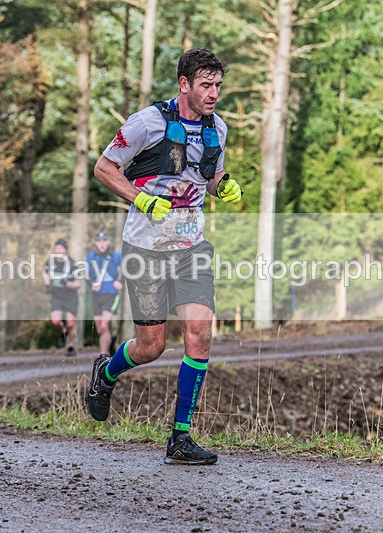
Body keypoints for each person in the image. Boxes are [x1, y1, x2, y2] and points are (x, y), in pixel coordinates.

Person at [85, 48, 242, 465]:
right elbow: (104, 168)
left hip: (191, 246)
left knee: (199, 334)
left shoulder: (218, 128)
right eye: (206, 86)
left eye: (218, 86)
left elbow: (208, 177)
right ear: (184, 84)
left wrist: (223, 187)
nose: (213, 94)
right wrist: (141, 199)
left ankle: (181, 438)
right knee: (151, 345)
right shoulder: (147, 122)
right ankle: (106, 373)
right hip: (146, 247)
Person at [42, 238, 81, 357]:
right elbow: (44, 272)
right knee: (55, 321)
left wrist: (67, 283)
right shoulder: (50, 262)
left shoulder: (72, 264)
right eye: (57, 249)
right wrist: (47, 284)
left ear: (66, 251)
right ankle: (63, 331)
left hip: (70, 297)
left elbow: (78, 283)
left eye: (61, 249)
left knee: (70, 323)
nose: (58, 251)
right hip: (57, 296)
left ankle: (71, 346)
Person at [87, 231, 123, 356]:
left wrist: (120, 282)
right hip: (97, 295)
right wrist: (91, 284)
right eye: (99, 241)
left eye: (104, 241)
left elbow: (127, 269)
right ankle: (111, 343)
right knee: (100, 329)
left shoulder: (116, 256)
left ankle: (103, 355)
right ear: (95, 243)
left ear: (108, 242)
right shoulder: (91, 256)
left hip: (111, 294)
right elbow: (86, 274)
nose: (102, 244)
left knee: (103, 326)